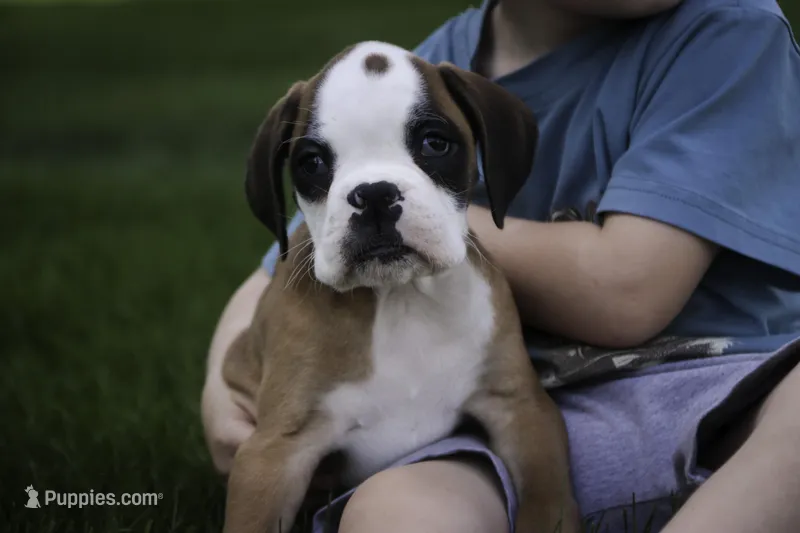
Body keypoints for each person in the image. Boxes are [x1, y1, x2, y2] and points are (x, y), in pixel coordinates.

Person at [202, 0, 800, 531]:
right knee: (396, 512)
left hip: (725, 397)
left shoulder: (731, 34)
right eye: (315, 164)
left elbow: (628, 293)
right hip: (513, 425)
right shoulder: (419, 66)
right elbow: (283, 266)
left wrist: (430, 218)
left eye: (433, 145)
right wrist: (222, 386)